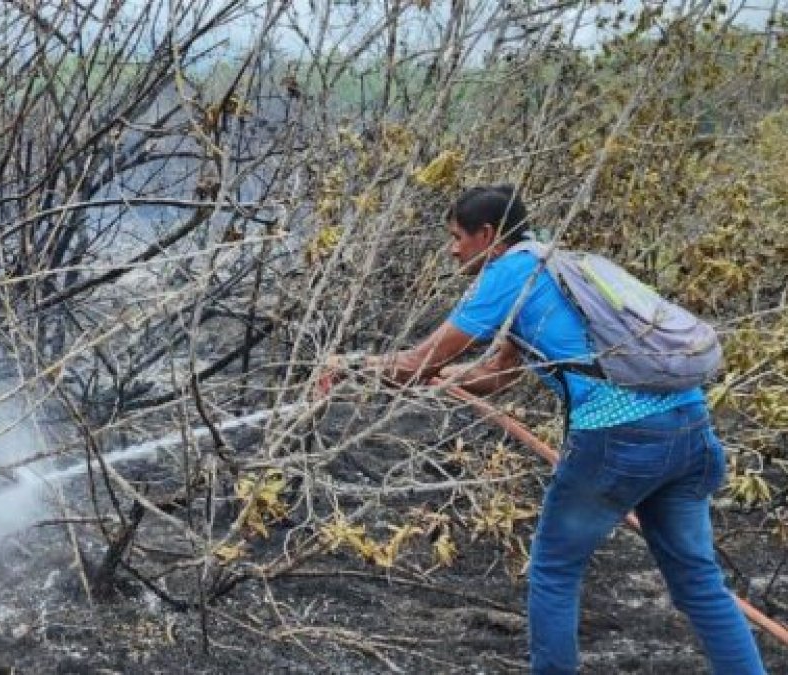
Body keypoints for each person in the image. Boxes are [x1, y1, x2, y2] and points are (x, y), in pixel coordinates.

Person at [324, 185, 766, 674]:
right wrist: (445, 378)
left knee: (554, 573)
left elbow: (414, 362)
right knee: (699, 583)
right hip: (691, 430)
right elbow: (499, 374)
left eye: (456, 237)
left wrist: (351, 366)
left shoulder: (508, 272)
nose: (452, 250)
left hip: (617, 440)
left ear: (488, 235)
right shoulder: (557, 262)